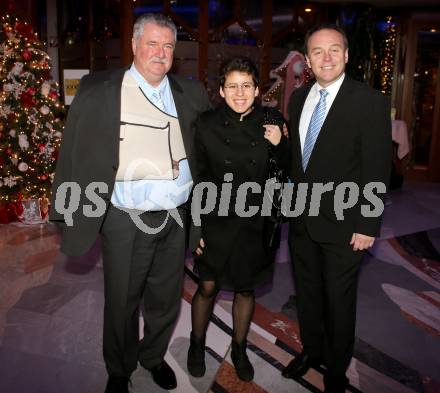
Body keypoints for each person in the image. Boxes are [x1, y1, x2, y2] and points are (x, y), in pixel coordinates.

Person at [49, 13, 210, 393]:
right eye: (152, 44)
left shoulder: (192, 94)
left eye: (168, 46)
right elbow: (72, 152)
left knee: (166, 299)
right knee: (121, 301)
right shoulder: (100, 90)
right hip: (124, 218)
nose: (160, 52)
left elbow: (210, 154)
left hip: (174, 217)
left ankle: (152, 357)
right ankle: (119, 370)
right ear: (135, 45)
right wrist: (67, 206)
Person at [281, 24, 391, 392]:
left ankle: (337, 371)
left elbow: (377, 167)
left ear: (346, 55)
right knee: (308, 294)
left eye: (333, 50)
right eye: (317, 51)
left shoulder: (369, 101)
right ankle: (312, 352)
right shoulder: (298, 99)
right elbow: (300, 161)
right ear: (308, 59)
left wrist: (368, 223)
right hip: (302, 220)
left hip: (347, 225)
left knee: (338, 302)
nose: (325, 58)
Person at [187, 57, 290, 382]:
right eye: (232, 86)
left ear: (257, 90)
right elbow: (198, 178)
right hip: (216, 219)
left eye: (247, 85)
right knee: (206, 287)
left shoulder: (272, 121)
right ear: (221, 90)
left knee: (246, 289)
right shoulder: (205, 123)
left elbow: (288, 173)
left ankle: (240, 347)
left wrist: (280, 145)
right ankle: (196, 344)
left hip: (255, 223)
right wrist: (197, 228)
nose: (240, 92)